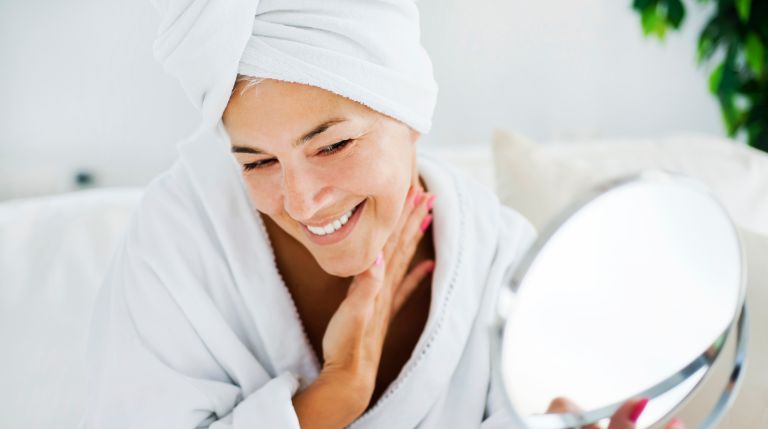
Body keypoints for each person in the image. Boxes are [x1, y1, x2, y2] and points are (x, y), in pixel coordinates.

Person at [83, 1, 686, 428]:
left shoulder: (505, 267)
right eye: (257, 162)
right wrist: (333, 396)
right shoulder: (180, 244)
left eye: (331, 145)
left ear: (410, 112)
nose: (301, 200)